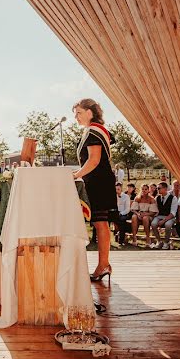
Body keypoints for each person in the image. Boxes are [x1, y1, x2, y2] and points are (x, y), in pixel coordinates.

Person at [71, 98, 117, 283]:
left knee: (100, 223)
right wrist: (78, 173)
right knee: (99, 223)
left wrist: (76, 175)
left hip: (99, 182)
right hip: (97, 181)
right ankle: (103, 264)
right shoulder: (94, 131)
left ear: (90, 112)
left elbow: (94, 160)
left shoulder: (94, 132)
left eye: (79, 113)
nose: (76, 118)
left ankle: (103, 265)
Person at [151, 182, 178, 249]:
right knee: (153, 224)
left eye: (159, 188)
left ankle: (166, 242)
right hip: (159, 216)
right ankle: (159, 241)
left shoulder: (173, 198)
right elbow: (155, 210)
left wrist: (164, 220)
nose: (157, 190)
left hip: (169, 216)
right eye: (157, 188)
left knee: (168, 225)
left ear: (165, 188)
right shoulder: (157, 198)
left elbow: (173, 213)